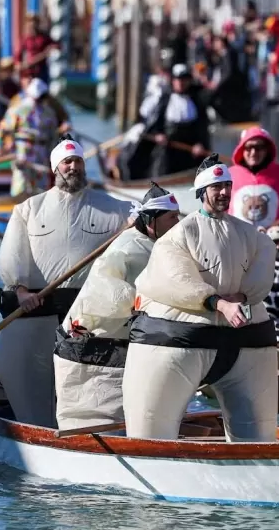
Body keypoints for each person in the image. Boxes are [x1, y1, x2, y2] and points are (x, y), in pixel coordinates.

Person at [122, 155, 279, 441]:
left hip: (245, 340)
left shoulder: (250, 235)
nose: (223, 193)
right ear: (201, 192)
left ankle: (258, 455)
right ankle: (150, 451)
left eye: (227, 186)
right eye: (216, 187)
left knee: (258, 433)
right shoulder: (179, 234)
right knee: (150, 430)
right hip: (181, 339)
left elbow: (265, 261)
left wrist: (243, 295)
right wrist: (218, 303)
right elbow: (175, 279)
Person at [0, 136, 131, 427]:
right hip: (38, 308)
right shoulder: (28, 209)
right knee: (24, 370)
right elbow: (11, 258)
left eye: (78, 161)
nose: (73, 167)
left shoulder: (116, 210)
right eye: (67, 162)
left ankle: (87, 427)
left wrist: (138, 222)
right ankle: (35, 426)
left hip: (89, 313)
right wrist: (19, 291)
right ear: (55, 168)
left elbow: (139, 233)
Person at [52, 184, 180, 432]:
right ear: (151, 221)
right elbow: (105, 294)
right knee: (93, 418)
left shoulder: (163, 246)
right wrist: (147, 302)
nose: (177, 223)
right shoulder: (126, 248)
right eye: (172, 217)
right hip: (92, 346)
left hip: (127, 342)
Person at [136, 64, 211, 178]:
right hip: (167, 150)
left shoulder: (197, 101)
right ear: (173, 81)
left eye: (184, 79)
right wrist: (158, 135)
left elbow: (202, 127)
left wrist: (200, 144)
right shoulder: (165, 100)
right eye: (177, 79)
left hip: (189, 153)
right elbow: (154, 124)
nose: (181, 83)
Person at [0, 77, 58, 198]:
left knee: (41, 190)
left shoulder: (49, 112)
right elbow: (2, 129)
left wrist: (53, 158)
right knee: (20, 185)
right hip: (22, 152)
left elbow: (53, 137)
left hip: (41, 153)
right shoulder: (18, 110)